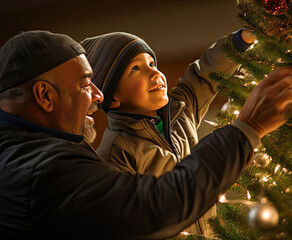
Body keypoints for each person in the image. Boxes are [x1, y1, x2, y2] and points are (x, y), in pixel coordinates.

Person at [0, 30, 292, 239]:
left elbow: (203, 76)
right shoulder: (47, 169)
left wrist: (240, 40)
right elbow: (156, 208)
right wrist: (248, 127)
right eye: (85, 83)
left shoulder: (14, 156)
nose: (96, 96)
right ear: (44, 95)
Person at [80, 29, 255, 236]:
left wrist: (239, 41)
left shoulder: (181, 110)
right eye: (136, 69)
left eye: (152, 64)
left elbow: (204, 76)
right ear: (113, 97)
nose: (154, 73)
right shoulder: (115, 154)